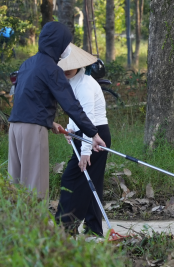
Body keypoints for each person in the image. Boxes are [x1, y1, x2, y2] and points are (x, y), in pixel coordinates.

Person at [8, 22, 106, 199]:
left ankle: (14, 225)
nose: (67, 48)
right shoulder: (52, 69)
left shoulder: (27, 64)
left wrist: (49, 121)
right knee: (34, 187)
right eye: (66, 43)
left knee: (15, 184)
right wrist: (93, 133)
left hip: (14, 127)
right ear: (59, 45)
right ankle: (36, 226)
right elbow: (71, 105)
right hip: (32, 131)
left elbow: (25, 98)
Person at [56, 44, 111, 236]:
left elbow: (88, 119)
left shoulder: (86, 84)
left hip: (96, 137)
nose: (64, 71)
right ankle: (94, 228)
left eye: (67, 67)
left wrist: (86, 151)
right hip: (84, 134)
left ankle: (66, 226)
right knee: (91, 183)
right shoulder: (71, 82)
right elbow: (75, 113)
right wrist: (70, 129)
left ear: (77, 65)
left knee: (72, 180)